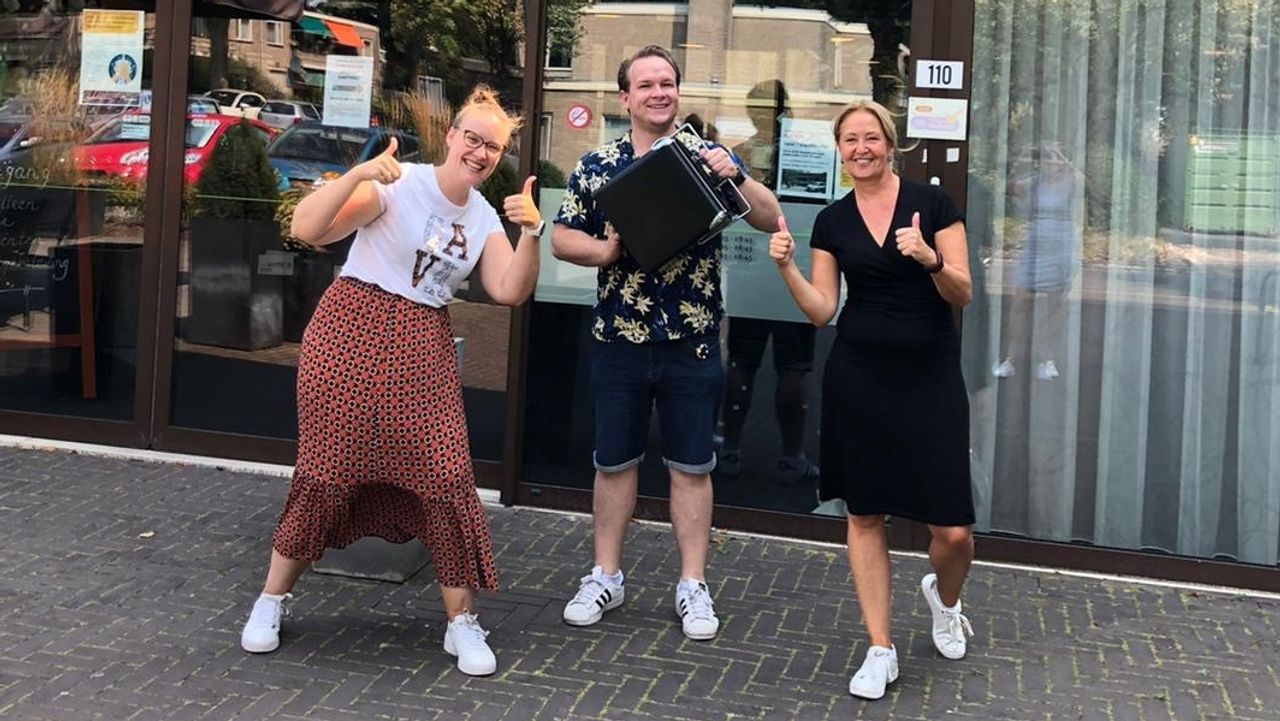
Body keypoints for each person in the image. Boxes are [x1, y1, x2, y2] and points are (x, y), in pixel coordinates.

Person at [237, 85, 543, 677]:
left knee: (447, 477)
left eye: (493, 147)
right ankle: (270, 600)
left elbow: (510, 291)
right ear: (451, 137)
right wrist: (356, 177)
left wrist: (532, 233)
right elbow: (308, 228)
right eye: (472, 138)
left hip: (423, 342)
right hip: (351, 327)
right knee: (327, 471)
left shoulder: (482, 217)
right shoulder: (402, 183)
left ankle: (461, 623)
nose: (479, 153)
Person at [551, 45, 781, 640]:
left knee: (691, 467)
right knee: (614, 462)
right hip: (619, 340)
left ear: (678, 93)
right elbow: (561, 240)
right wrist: (603, 251)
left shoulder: (711, 158)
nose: (659, 92)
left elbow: (767, 216)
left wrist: (738, 176)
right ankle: (606, 574)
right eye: (646, 84)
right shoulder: (598, 166)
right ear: (625, 98)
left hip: (693, 341)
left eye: (668, 83)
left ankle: (693, 586)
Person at [768, 100, 976, 699]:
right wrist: (787, 270)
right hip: (859, 377)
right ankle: (879, 647)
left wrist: (929, 257)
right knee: (864, 513)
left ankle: (945, 595)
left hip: (930, 378)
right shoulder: (832, 221)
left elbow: (962, 292)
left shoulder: (932, 205)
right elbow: (823, 309)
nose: (861, 148)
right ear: (840, 150)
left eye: (871, 138)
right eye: (849, 140)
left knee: (954, 530)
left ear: (891, 144)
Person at [721, 79, 818, 485]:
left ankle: (735, 450)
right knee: (777, 366)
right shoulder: (742, 158)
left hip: (779, 269)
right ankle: (781, 454)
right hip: (774, 267)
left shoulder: (741, 156)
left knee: (758, 363)